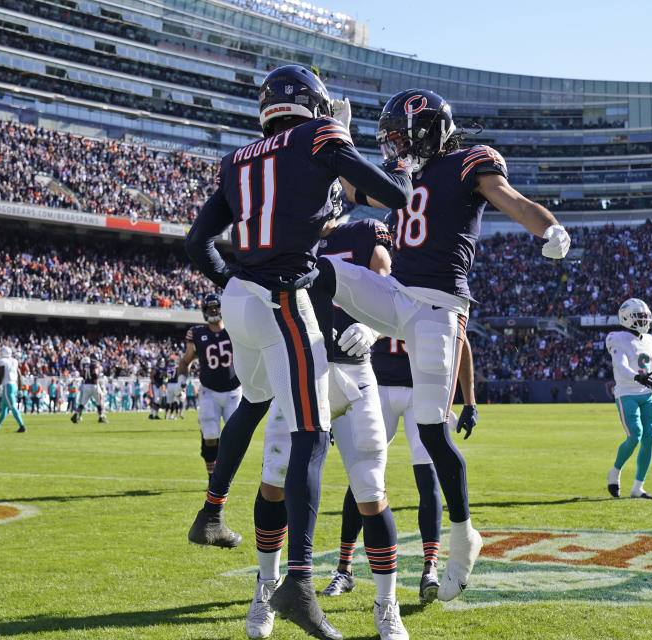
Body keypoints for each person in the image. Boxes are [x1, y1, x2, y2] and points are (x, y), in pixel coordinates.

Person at [185, 64, 411, 640]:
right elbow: (396, 196)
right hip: (282, 300)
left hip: (238, 300)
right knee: (312, 434)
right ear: (315, 104)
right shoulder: (321, 136)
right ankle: (300, 582)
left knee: (255, 401)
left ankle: (212, 510)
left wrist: (234, 280)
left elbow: (197, 240)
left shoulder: (238, 157)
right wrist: (357, 151)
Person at [320, 88, 570, 601]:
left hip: (439, 308)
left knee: (433, 431)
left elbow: (514, 201)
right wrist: (336, 133)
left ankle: (463, 534)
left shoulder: (467, 163)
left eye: (400, 137)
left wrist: (549, 229)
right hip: (396, 295)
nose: (394, 149)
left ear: (429, 128)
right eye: (388, 141)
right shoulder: (403, 177)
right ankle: (318, 374)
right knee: (317, 268)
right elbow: (350, 185)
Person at [255, 212, 410, 639]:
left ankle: (386, 604)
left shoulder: (361, 232)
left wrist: (375, 328)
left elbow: (388, 285)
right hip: (299, 370)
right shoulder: (285, 233)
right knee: (274, 479)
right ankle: (265, 590)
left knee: (370, 490)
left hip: (354, 373)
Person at [321, 335, 475, 605]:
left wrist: (470, 400)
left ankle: (430, 569)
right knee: (362, 477)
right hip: (377, 387)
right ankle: (344, 568)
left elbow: (460, 339)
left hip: (421, 390)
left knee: (427, 477)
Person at [605, 298, 652, 500]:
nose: (643, 320)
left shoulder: (649, 340)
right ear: (626, 317)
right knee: (635, 435)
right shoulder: (617, 338)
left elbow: (651, 371)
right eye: (639, 316)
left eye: (645, 316)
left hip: (647, 395)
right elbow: (621, 364)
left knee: (649, 438)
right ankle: (615, 472)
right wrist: (637, 377)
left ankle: (638, 488)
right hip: (627, 393)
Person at [178, 293, 242, 478]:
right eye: (210, 308)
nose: (214, 310)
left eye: (216, 306)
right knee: (210, 435)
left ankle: (225, 472)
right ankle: (212, 478)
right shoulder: (197, 333)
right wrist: (182, 382)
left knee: (235, 438)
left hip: (234, 391)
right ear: (204, 312)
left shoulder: (234, 329)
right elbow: (186, 360)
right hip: (209, 391)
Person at [0, 346, 26, 433]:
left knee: (12, 407)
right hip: (14, 385)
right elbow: (20, 376)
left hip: (7, 386)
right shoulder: (14, 361)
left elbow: (0, 376)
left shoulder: (2, 361)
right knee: (4, 408)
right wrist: (20, 389)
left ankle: (22, 426)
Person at [71, 355, 109, 424]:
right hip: (93, 385)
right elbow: (95, 375)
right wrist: (97, 384)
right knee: (99, 402)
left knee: (82, 403)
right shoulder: (94, 365)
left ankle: (75, 415)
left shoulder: (85, 366)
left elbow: (82, 374)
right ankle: (101, 417)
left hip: (86, 385)